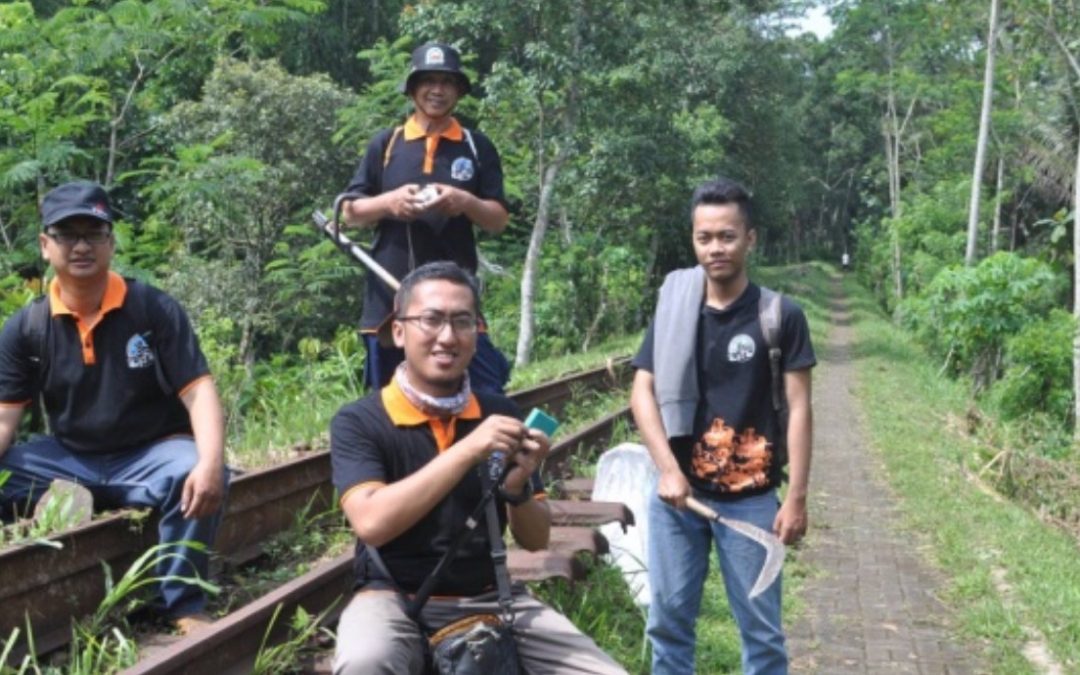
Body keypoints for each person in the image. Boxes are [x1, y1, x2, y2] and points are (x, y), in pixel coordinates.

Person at [330, 261, 626, 675]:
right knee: (365, 662)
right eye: (431, 320)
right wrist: (469, 450)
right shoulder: (360, 420)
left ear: (477, 333)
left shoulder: (499, 413)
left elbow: (537, 540)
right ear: (399, 331)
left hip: (492, 595)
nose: (447, 337)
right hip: (391, 596)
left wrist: (518, 488)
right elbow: (372, 522)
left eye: (462, 322)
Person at [0, 181, 227, 635]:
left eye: (94, 233)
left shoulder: (152, 309)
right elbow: (5, 418)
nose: (81, 246)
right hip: (67, 459)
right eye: (67, 235)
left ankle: (181, 601)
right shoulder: (27, 327)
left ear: (111, 242)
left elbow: (198, 390)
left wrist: (212, 462)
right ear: (46, 245)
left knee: (192, 472)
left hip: (149, 455)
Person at [629, 177, 816, 674]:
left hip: (752, 500)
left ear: (750, 239)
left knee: (762, 633)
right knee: (668, 625)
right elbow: (641, 392)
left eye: (727, 236)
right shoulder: (674, 309)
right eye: (704, 237)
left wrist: (795, 496)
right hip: (677, 498)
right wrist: (667, 470)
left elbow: (799, 409)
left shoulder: (779, 315)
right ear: (693, 239)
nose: (716, 248)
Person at [340, 42, 511, 394]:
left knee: (485, 395)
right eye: (428, 81)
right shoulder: (387, 143)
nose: (438, 90)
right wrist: (390, 203)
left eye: (447, 82)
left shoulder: (476, 146)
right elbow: (349, 212)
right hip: (389, 304)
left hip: (456, 305)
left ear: (459, 91)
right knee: (388, 408)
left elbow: (497, 220)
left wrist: (465, 202)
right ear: (413, 88)